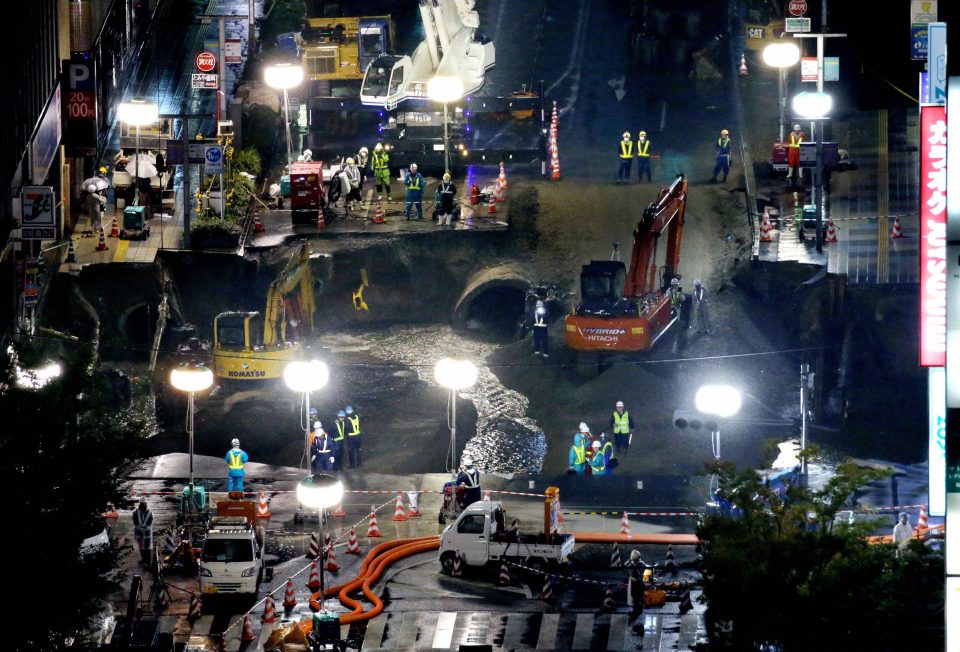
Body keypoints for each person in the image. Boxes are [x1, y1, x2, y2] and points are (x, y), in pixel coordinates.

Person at [132, 498, 155, 566]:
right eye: (143, 503)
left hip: (146, 532)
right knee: (141, 547)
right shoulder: (135, 512)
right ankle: (144, 559)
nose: (144, 504)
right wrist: (139, 528)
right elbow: (134, 520)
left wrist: (145, 528)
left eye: (144, 503)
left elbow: (150, 521)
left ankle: (148, 561)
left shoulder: (149, 512)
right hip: (139, 532)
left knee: (147, 548)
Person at [625, 549, 645, 624]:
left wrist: (631, 563)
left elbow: (625, 565)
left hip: (634, 582)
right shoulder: (641, 564)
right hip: (640, 582)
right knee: (639, 597)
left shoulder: (632, 564)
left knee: (636, 597)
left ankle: (636, 611)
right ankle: (638, 610)